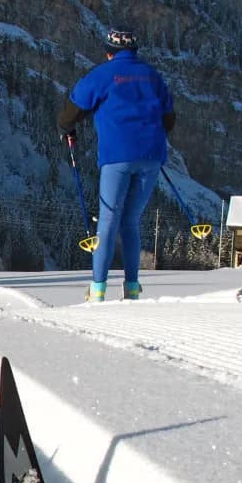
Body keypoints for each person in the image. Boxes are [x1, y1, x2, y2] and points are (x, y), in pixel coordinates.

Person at [57, 27, 175, 301]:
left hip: (116, 156)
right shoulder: (152, 76)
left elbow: (71, 111)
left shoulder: (102, 75)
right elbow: (169, 119)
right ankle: (131, 288)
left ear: (108, 52)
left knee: (108, 220)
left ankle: (98, 289)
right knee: (131, 221)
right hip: (151, 156)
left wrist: (66, 128)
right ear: (134, 51)